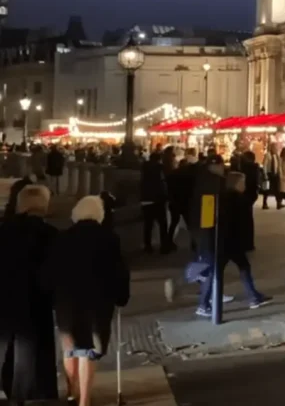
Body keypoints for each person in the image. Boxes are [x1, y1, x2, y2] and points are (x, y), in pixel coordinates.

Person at [42, 196, 130, 406]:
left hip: (66, 301)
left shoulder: (62, 237)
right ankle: (85, 400)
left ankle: (71, 393)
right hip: (97, 301)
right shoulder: (109, 238)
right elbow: (118, 272)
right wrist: (121, 296)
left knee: (70, 347)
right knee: (88, 349)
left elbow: (50, 271)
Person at [0, 185, 59, 404]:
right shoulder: (50, 234)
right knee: (28, 350)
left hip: (4, 297)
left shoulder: (4, 231)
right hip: (36, 300)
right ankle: (20, 396)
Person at [194, 172, 271, 316]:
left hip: (221, 241)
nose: (244, 186)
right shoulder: (237, 199)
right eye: (242, 183)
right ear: (236, 184)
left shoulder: (220, 197)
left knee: (235, 268)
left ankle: (253, 296)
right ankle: (204, 305)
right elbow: (241, 223)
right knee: (225, 270)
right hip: (229, 241)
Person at [140, 151, 172, 254]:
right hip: (158, 199)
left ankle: (148, 246)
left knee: (148, 224)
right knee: (162, 224)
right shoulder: (160, 168)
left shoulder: (144, 167)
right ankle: (164, 246)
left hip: (145, 199)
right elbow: (164, 182)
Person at [239, 151, 261, 252]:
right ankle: (248, 242)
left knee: (245, 218)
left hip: (247, 194)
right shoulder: (254, 168)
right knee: (247, 218)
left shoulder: (248, 168)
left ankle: (246, 242)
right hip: (251, 194)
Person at [263, 144, 280, 210]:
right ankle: (264, 203)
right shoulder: (268, 155)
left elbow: (277, 165)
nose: (276, 149)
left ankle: (278, 203)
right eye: (275, 148)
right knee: (267, 189)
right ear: (271, 148)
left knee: (277, 189)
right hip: (269, 174)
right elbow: (265, 165)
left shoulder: (276, 156)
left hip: (275, 174)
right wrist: (265, 174)